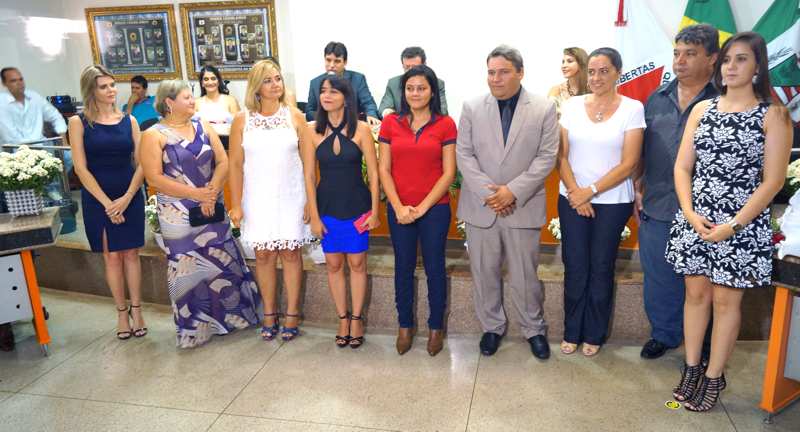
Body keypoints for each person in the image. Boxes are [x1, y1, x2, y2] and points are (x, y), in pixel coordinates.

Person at [666, 32, 792, 412]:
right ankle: (691, 368)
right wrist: (689, 213)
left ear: (757, 67)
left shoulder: (774, 114)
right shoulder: (704, 109)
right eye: (726, 60)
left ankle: (714, 375)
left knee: (725, 302)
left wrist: (734, 225)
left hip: (740, 224)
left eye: (741, 60)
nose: (731, 67)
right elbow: (683, 166)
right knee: (695, 295)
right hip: (696, 218)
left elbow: (774, 181)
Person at [141, 79, 261, 348]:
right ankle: (195, 330)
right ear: (169, 103)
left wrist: (212, 190)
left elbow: (223, 160)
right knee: (189, 269)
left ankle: (233, 320)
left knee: (223, 261)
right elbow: (154, 178)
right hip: (179, 215)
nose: (192, 101)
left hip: (211, 206)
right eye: (186, 97)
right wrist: (197, 195)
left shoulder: (202, 124)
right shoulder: (153, 135)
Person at [456, 45, 558, 360]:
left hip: (522, 205)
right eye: (491, 72)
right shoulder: (472, 107)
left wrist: (512, 191)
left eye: (503, 72)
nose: (496, 78)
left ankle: (534, 329)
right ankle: (492, 327)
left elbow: (547, 157)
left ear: (520, 72)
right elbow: (464, 154)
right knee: (484, 272)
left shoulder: (543, 107)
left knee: (525, 275)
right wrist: (492, 194)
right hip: (481, 207)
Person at [636, 24, 720, 360]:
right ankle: (664, 334)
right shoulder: (656, 99)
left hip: (707, 210)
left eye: (690, 54)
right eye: (676, 53)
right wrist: (637, 186)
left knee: (704, 281)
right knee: (658, 277)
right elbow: (642, 150)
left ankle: (708, 339)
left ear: (712, 58)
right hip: (657, 202)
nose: (680, 61)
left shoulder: (724, 102)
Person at [556, 47, 645, 357]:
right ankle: (571, 330)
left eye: (604, 71)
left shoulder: (632, 108)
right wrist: (575, 192)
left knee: (601, 267)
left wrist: (589, 191)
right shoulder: (571, 105)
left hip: (613, 201)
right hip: (572, 198)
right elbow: (561, 155)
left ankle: (594, 333)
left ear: (618, 72)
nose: (596, 77)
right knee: (575, 266)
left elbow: (629, 163)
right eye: (592, 71)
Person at [228, 60, 314, 343]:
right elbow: (236, 165)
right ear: (256, 86)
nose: (275, 84)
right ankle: (269, 313)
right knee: (263, 255)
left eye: (278, 78)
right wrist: (237, 204)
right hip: (257, 196)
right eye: (268, 80)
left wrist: (309, 201)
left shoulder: (295, 116)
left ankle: (291, 314)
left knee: (290, 254)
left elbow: (309, 164)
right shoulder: (242, 119)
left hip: (291, 194)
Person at [379, 65, 456, 356]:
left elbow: (448, 173)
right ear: (403, 92)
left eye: (421, 88)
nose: (415, 93)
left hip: (434, 210)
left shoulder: (445, 124)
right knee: (403, 268)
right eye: (410, 88)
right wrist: (399, 207)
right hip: (400, 211)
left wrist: (422, 208)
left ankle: (436, 327)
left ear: (432, 91)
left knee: (435, 268)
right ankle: (404, 326)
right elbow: (384, 169)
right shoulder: (390, 124)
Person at [68, 65, 147, 341]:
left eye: (113, 85)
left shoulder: (130, 121)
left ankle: (138, 311)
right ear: (91, 90)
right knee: (112, 257)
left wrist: (126, 198)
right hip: (97, 198)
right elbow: (80, 168)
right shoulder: (78, 123)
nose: (111, 90)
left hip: (129, 194)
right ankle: (121, 313)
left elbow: (142, 164)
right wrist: (108, 204)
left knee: (131, 255)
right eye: (104, 86)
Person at [302, 75, 380, 349]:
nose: (326, 96)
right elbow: (309, 176)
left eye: (333, 91)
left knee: (357, 264)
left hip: (357, 206)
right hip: (327, 207)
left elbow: (373, 173)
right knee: (334, 265)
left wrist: (375, 211)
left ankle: (357, 318)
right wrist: (312, 214)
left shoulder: (361, 130)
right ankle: (342, 318)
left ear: (346, 98)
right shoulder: (311, 131)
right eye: (323, 91)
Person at [305, 42, 380, 126]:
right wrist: (328, 118)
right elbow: (309, 112)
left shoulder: (358, 79)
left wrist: (371, 115)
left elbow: (369, 103)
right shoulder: (315, 82)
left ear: (345, 62)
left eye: (337, 61)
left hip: (352, 127)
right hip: (325, 128)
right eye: (328, 60)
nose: (332, 65)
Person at [378, 47, 448, 118]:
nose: (411, 71)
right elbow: (383, 108)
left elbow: (442, 111)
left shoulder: (437, 83)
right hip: (399, 124)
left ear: (424, 65)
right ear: (403, 66)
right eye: (407, 67)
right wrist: (388, 112)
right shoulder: (393, 83)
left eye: (415, 67)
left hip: (428, 125)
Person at [195, 65, 240, 137]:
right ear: (202, 83)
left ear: (218, 81)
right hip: (205, 142)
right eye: (206, 79)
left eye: (213, 78)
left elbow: (238, 125)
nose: (210, 82)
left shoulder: (231, 100)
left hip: (227, 141)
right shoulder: (196, 102)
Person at [547, 47, 589, 113]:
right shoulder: (556, 91)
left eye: (570, 61)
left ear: (581, 64)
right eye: (563, 62)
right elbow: (549, 117)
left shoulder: (593, 88)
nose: (564, 66)